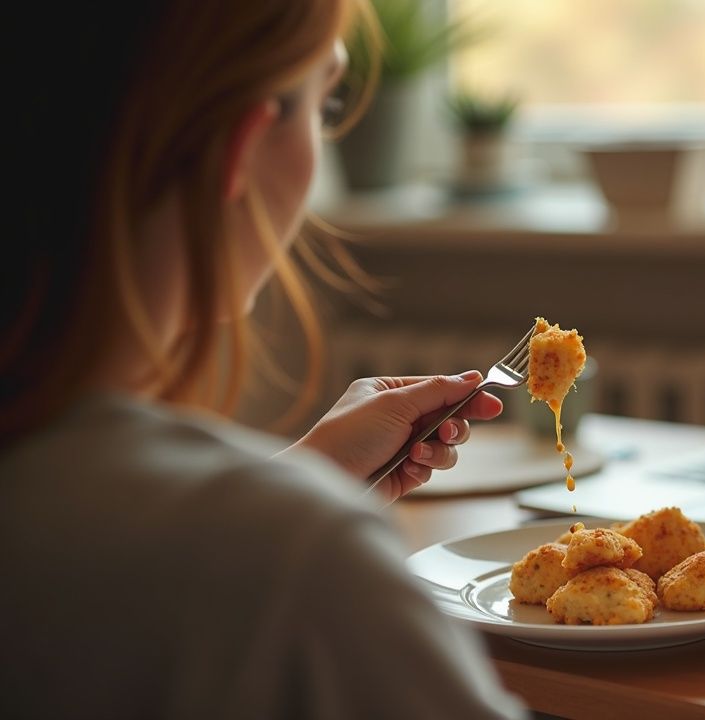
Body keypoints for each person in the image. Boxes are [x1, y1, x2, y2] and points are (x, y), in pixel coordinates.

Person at [1, 1, 527, 717]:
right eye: (327, 99)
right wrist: (297, 517)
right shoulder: (296, 565)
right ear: (240, 148)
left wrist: (303, 477)